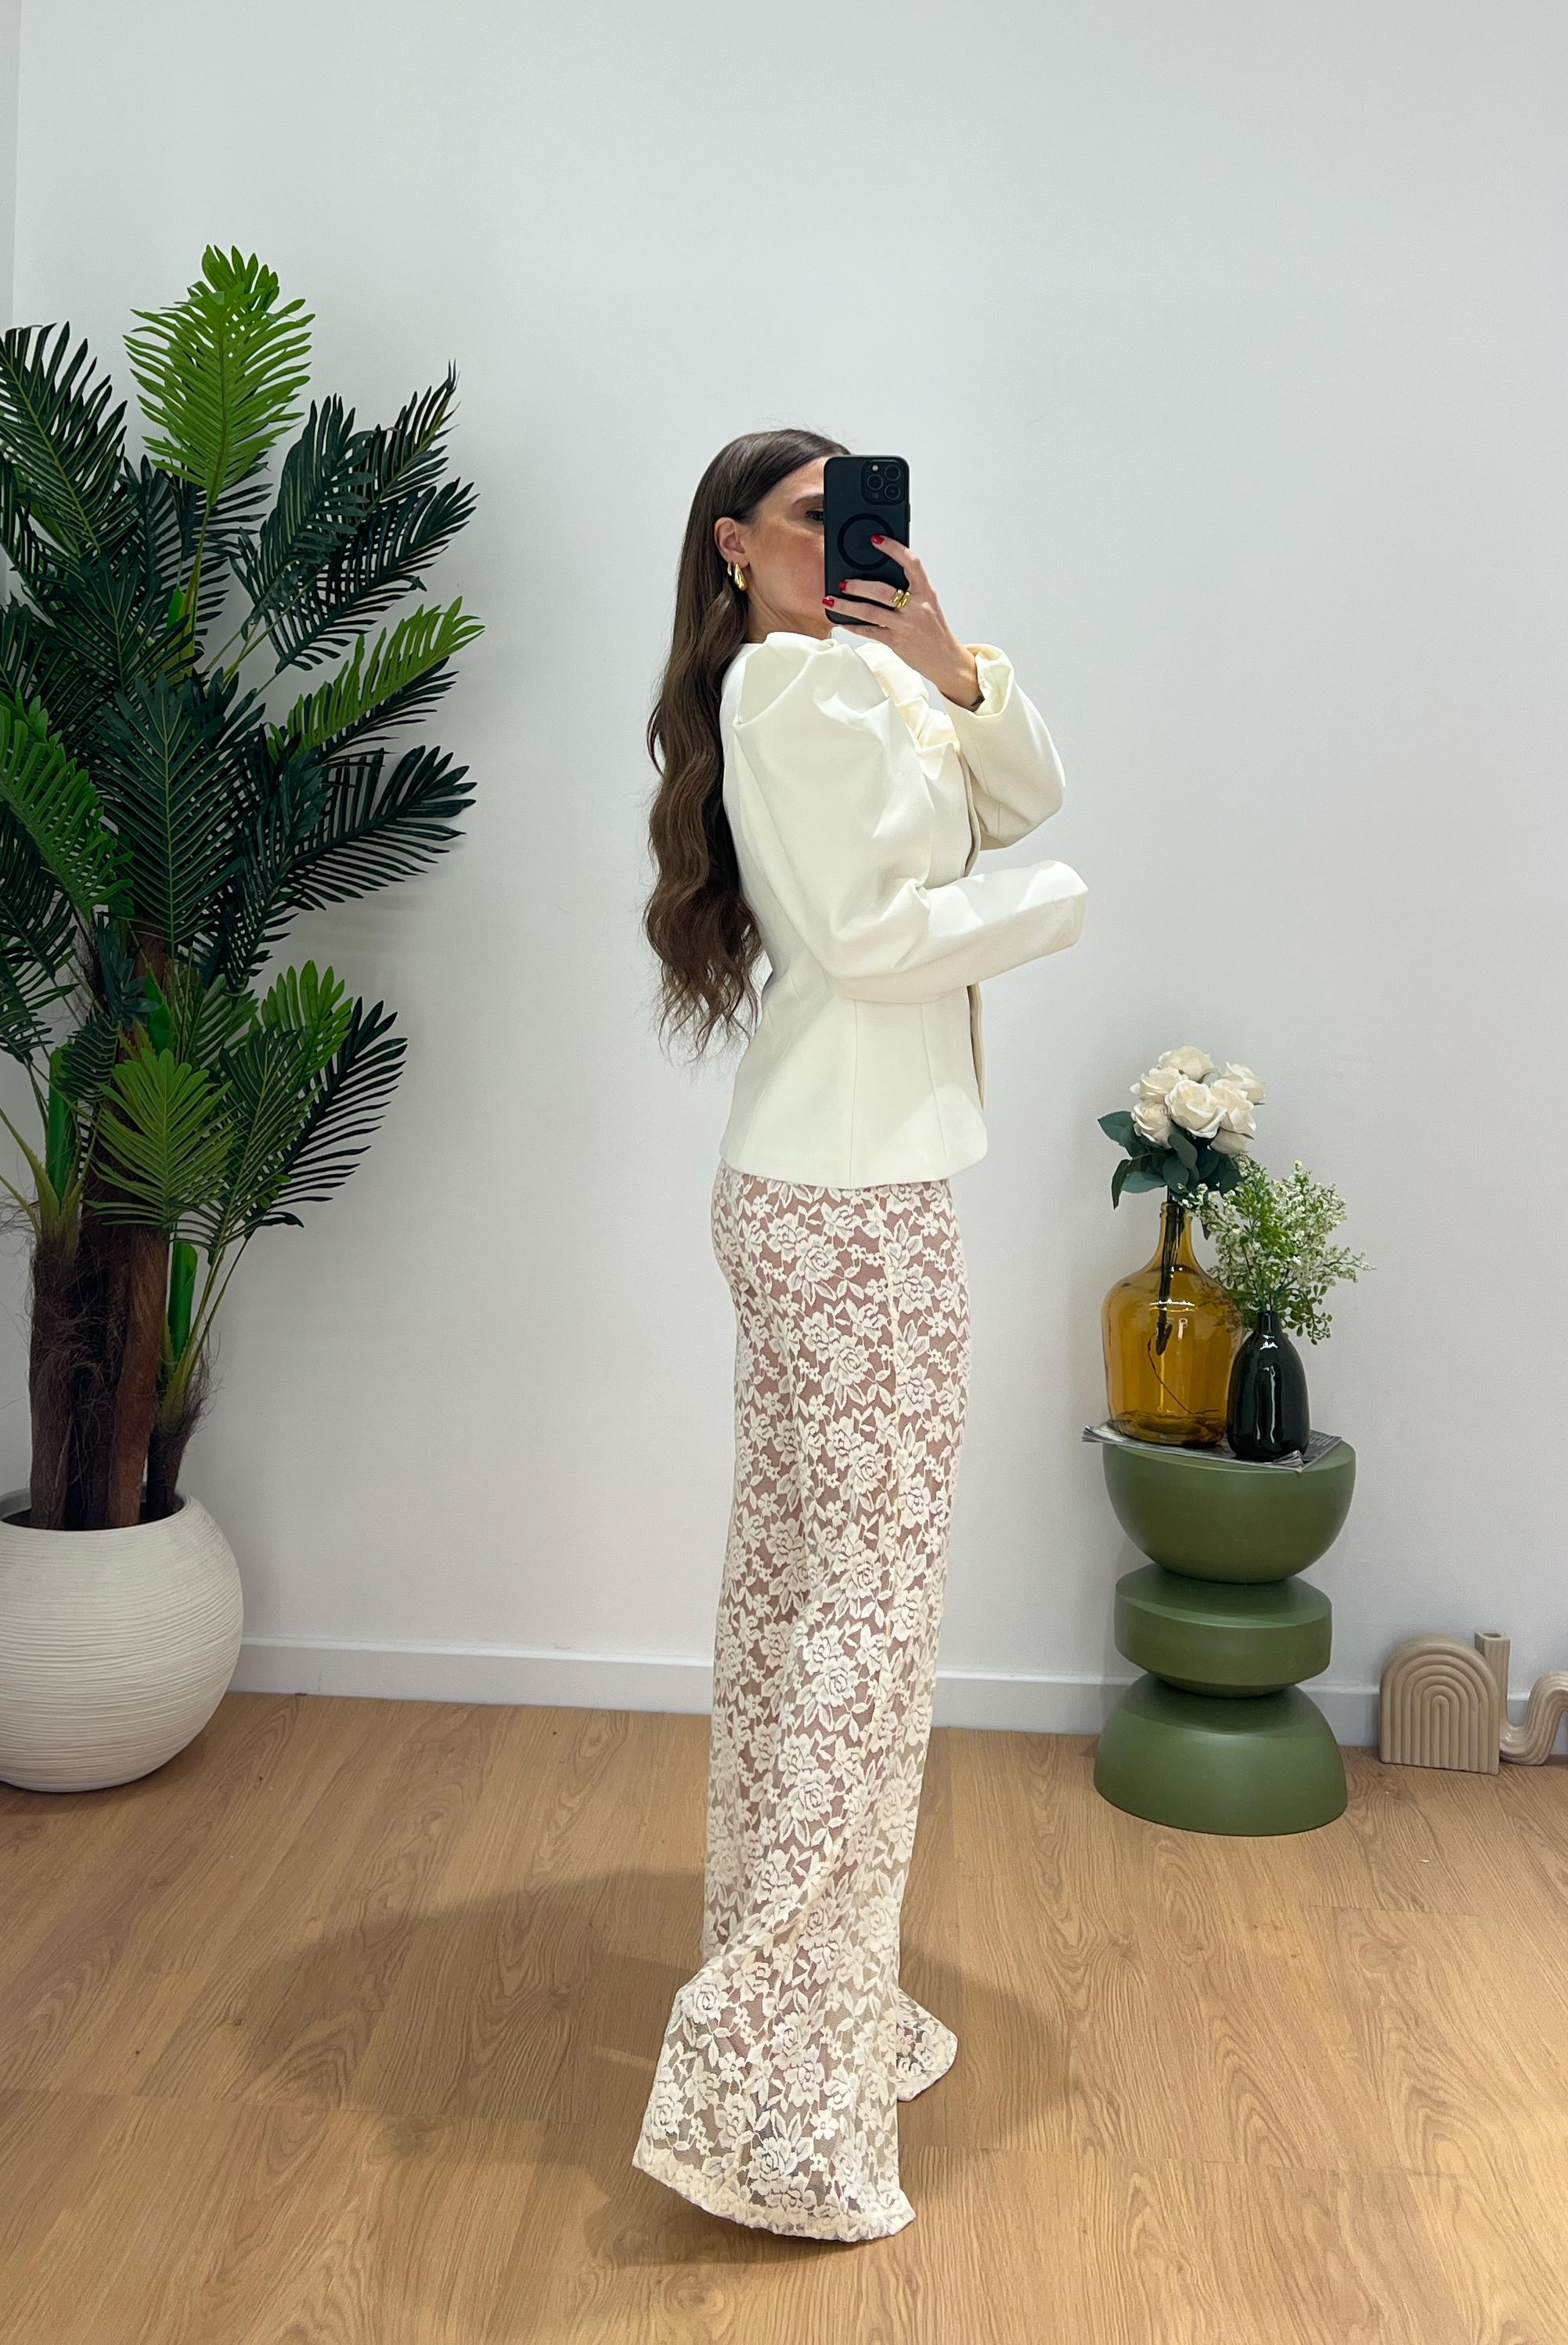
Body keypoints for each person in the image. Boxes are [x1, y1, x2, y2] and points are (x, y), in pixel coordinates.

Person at [634, 428, 1089, 2239]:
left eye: (863, 518)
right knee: (863, 1634)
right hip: (849, 1204)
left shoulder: (865, 682)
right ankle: (766, 2085)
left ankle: (807, 2018)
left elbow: (1023, 791)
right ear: (734, 546)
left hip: (841, 1187)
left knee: (799, 1608)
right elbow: (874, 938)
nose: (847, 544)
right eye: (814, 520)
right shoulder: (790, 695)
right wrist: (1061, 910)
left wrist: (950, 662)